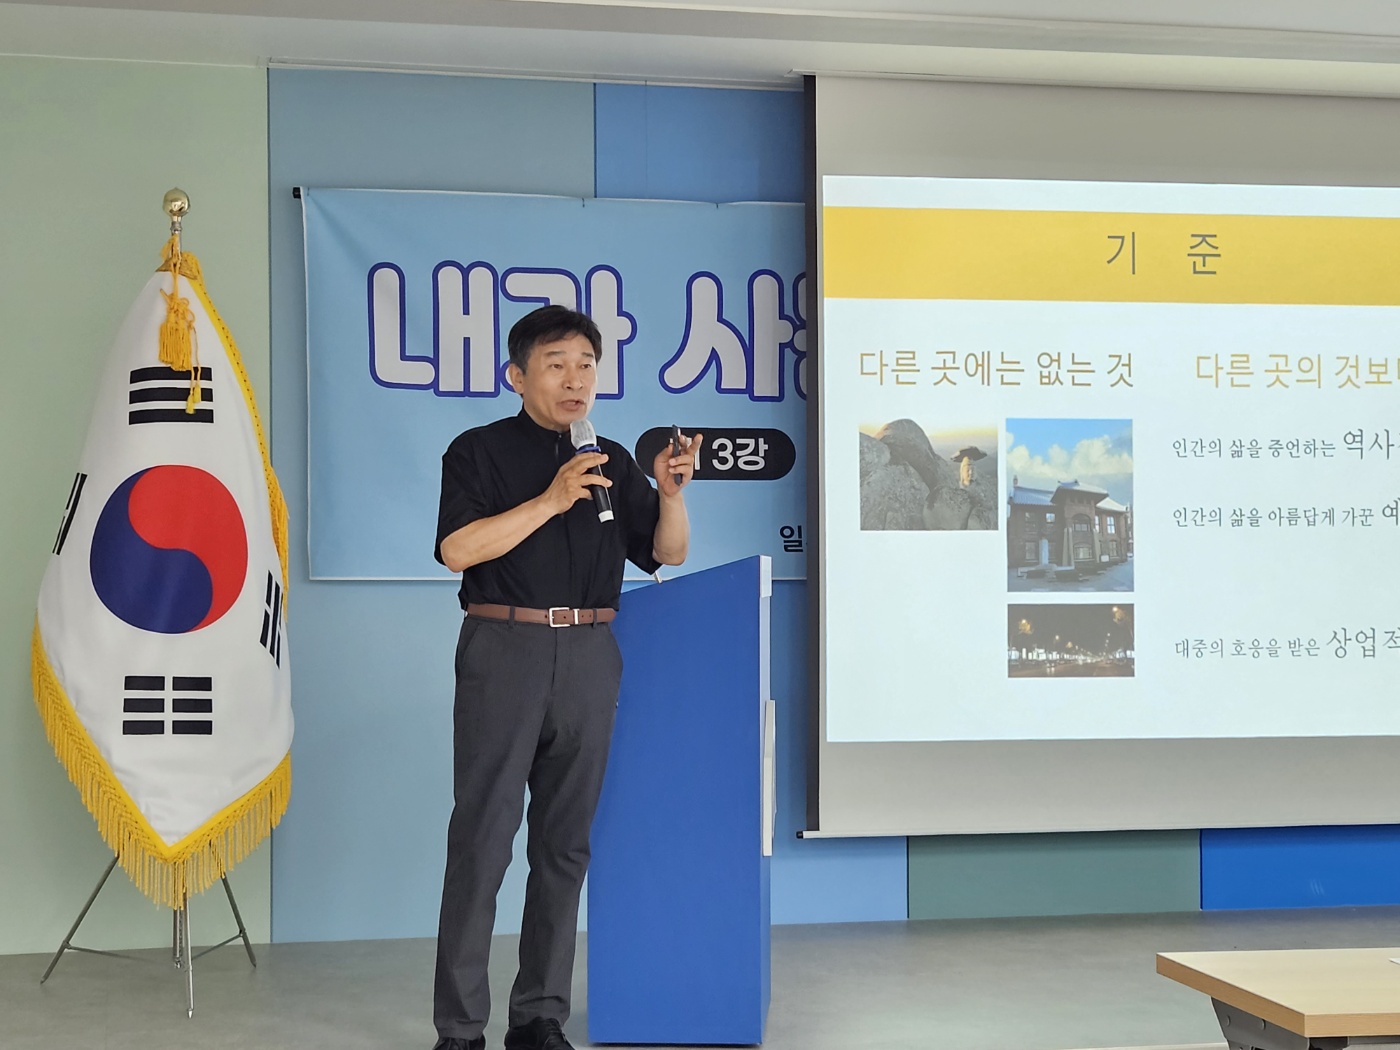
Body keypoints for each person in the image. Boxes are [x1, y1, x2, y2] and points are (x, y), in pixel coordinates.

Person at [431, 305, 701, 1050]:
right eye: (556, 365)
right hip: (505, 647)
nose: (575, 379)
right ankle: (460, 1028)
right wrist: (550, 501)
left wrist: (671, 495)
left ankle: (538, 1015)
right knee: (483, 840)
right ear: (517, 376)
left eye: (586, 364)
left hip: (589, 652)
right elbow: (457, 550)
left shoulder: (607, 458)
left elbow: (668, 553)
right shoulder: (477, 451)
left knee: (565, 844)